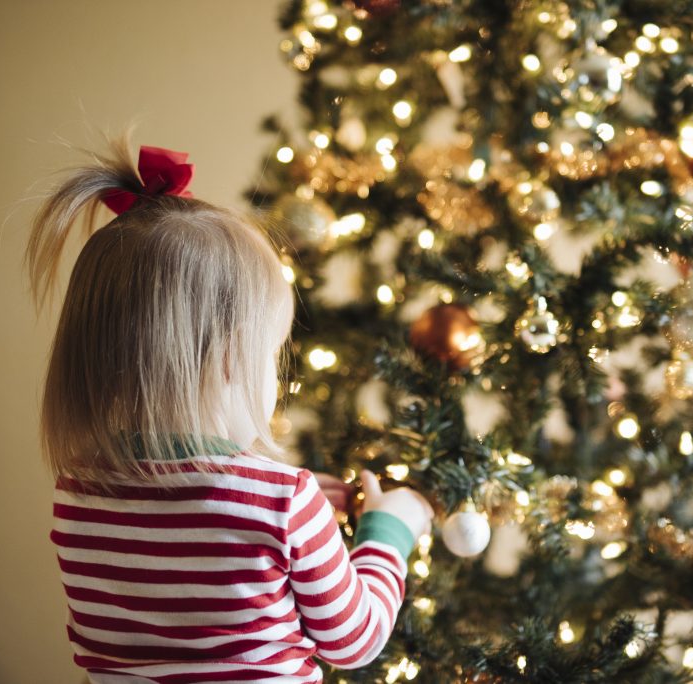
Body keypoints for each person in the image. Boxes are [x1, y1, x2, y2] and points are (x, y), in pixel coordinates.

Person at [27, 139, 434, 683]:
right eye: (269, 353)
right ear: (228, 358)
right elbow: (353, 639)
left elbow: (190, 533)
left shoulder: (78, 489)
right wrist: (389, 532)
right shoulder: (283, 502)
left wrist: (305, 505)